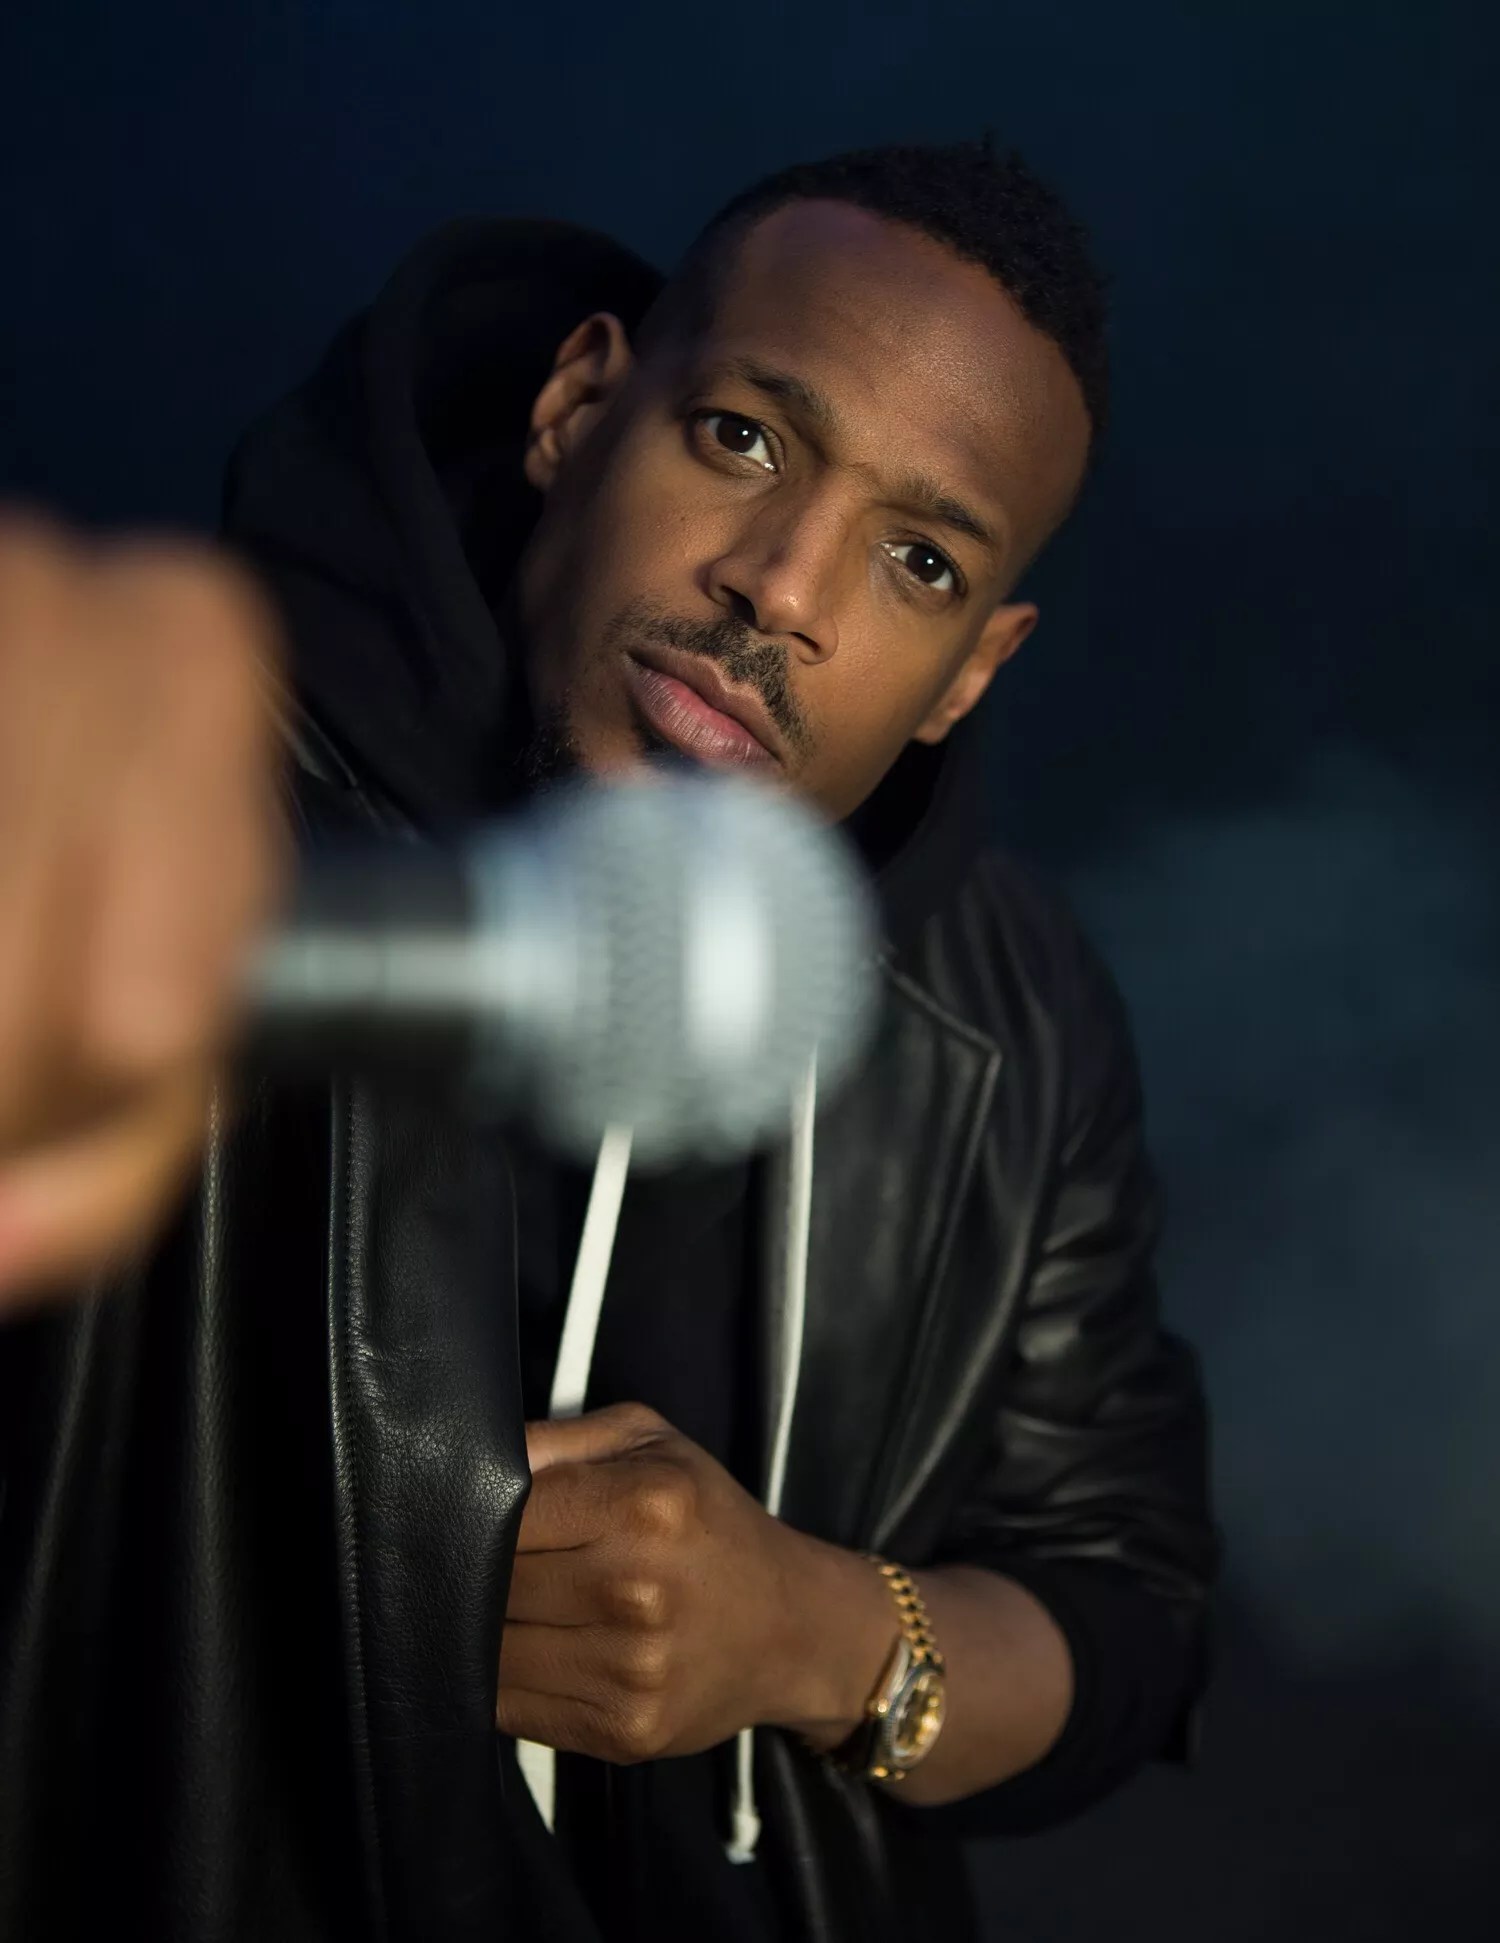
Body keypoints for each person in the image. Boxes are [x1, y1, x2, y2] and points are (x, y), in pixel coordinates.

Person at [0, 141, 1217, 1943]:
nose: (784, 588)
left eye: (917, 558)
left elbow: (1127, 1604)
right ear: (579, 408)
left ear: (972, 669)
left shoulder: (1006, 1017)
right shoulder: (151, 804)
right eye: (745, 439)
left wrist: (810, 1635)